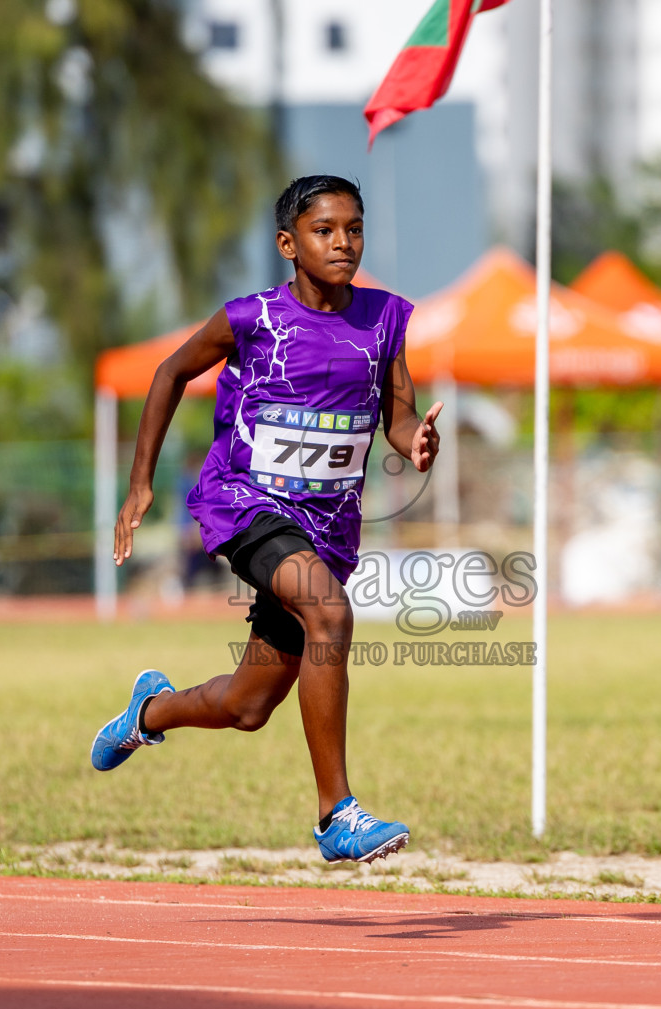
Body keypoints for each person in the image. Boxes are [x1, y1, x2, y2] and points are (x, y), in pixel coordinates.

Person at [91, 175, 442, 864]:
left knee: (248, 707)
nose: (342, 242)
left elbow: (398, 416)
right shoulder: (252, 318)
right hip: (246, 502)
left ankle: (148, 712)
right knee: (330, 615)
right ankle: (336, 815)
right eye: (324, 230)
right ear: (289, 243)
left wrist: (417, 443)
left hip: (326, 527)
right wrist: (140, 486)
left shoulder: (387, 319)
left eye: (353, 228)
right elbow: (168, 373)